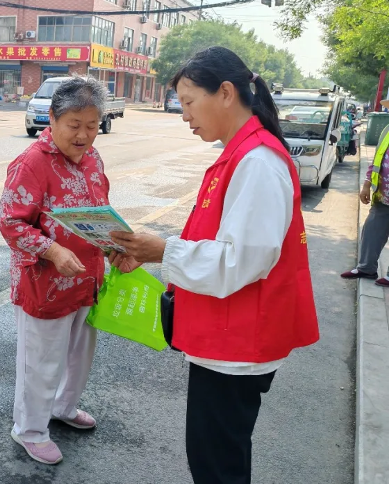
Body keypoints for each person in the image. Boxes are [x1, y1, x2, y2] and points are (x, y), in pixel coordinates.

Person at [109, 47, 320, 484]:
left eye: (188, 102)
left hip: (239, 344)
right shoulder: (241, 155)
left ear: (225, 93)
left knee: (216, 464)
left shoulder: (257, 162)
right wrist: (150, 253)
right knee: (214, 456)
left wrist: (163, 250)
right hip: (229, 338)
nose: (183, 115)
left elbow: (241, 260)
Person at [0, 76, 110, 465]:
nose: (83, 136)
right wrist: (51, 249)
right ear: (52, 119)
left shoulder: (94, 159)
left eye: (92, 126)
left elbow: (100, 212)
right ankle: (29, 429)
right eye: (74, 126)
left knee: (79, 354)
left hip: (87, 277)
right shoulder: (32, 162)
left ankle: (64, 407)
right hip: (44, 282)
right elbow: (11, 223)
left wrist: (117, 247)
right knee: (41, 360)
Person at [342, 98, 389, 286]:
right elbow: (377, 161)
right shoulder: (387, 131)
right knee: (371, 230)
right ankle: (366, 268)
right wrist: (367, 185)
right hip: (383, 195)